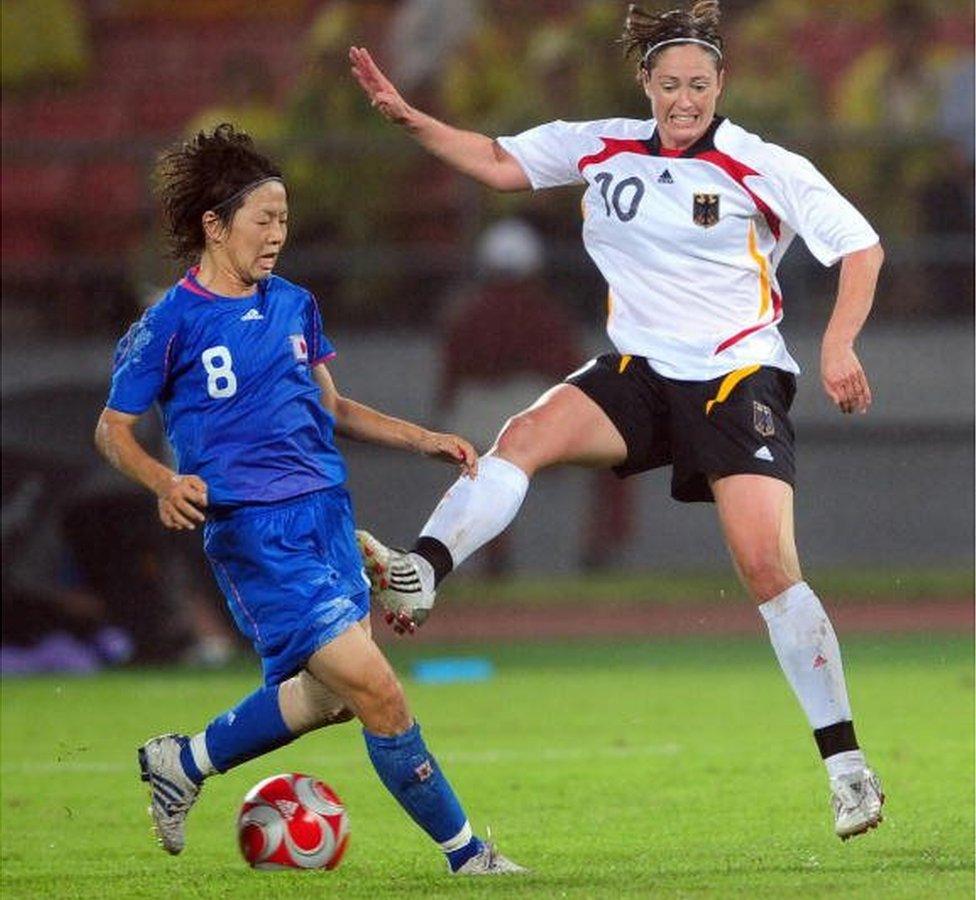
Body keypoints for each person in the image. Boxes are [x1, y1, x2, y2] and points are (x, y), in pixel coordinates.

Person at [350, 0, 886, 841]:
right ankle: (423, 568)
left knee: (765, 568)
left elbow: (860, 247)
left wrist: (838, 346)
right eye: (669, 84)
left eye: (699, 86)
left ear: (721, 84)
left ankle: (847, 767)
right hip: (640, 370)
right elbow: (495, 163)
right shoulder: (599, 143)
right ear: (645, 81)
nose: (683, 101)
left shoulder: (762, 163)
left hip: (735, 374)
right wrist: (410, 118)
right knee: (523, 437)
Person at [93, 123, 523, 875]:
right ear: (214, 225)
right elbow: (112, 430)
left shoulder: (294, 304)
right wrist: (163, 481)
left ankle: (183, 762)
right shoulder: (169, 322)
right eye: (263, 220)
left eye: (284, 221)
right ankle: (469, 856)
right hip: (257, 533)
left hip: (328, 515)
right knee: (379, 691)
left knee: (327, 698)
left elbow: (332, 408)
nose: (277, 236)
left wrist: (423, 438)